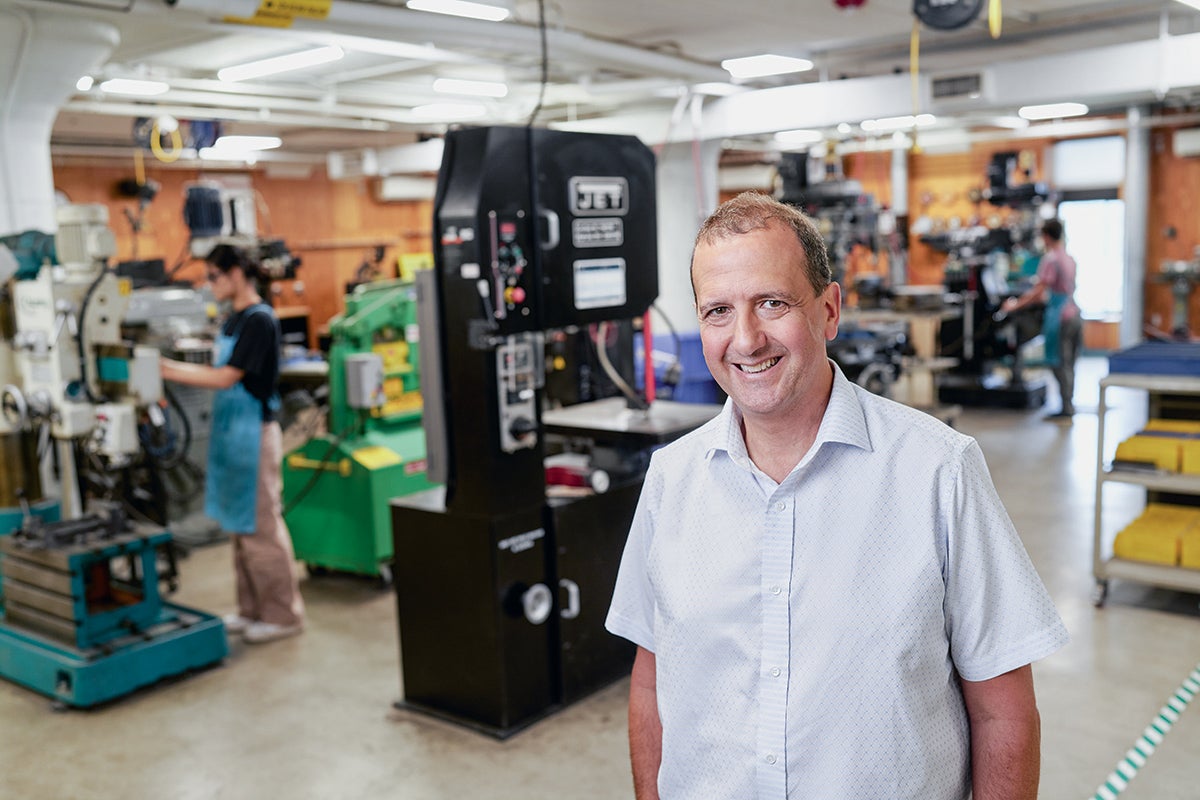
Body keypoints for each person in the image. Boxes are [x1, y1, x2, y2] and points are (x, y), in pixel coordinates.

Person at [606, 192, 1068, 800]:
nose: (745, 340)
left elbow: (1003, 712)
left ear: (828, 310)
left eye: (772, 303)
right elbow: (650, 683)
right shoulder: (671, 480)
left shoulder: (938, 472)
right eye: (718, 310)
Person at [161, 244, 305, 644]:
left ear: (237, 274)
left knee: (261, 526)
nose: (210, 285)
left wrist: (165, 369)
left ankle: (283, 614)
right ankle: (251, 609)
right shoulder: (233, 319)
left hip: (254, 433)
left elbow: (226, 377)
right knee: (240, 528)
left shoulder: (260, 320)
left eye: (214, 276)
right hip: (232, 433)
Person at [1000, 218, 1082, 421]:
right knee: (1070, 362)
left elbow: (1039, 290)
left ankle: (1066, 408)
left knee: (1059, 362)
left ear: (1045, 236)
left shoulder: (1051, 259)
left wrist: (1014, 305)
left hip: (1060, 315)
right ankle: (1068, 403)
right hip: (1075, 313)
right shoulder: (1069, 258)